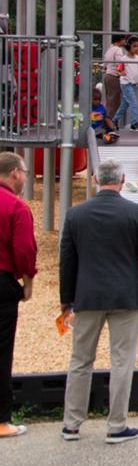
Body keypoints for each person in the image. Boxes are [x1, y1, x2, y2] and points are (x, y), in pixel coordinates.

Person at [59, 159, 138, 444]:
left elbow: (67, 260)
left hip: (87, 295)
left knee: (80, 360)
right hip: (125, 295)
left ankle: (71, 423)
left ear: (95, 179)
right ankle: (116, 425)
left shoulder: (75, 214)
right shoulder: (136, 213)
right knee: (122, 360)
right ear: (121, 181)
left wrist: (65, 299)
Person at [0, 152, 35, 439]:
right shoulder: (16, 207)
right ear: (14, 173)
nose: (25, 177)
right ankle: (1, 419)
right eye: (24, 172)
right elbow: (24, 250)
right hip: (2, 282)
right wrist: (28, 281)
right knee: (2, 351)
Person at [113, 36, 138, 132]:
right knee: (133, 103)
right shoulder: (124, 58)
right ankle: (134, 124)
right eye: (134, 46)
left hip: (133, 84)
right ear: (128, 47)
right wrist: (121, 73)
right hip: (126, 83)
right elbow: (118, 70)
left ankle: (114, 120)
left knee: (125, 104)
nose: (137, 48)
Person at [101, 32, 128, 123]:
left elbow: (105, 65)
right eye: (124, 39)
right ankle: (108, 123)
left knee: (109, 101)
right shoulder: (118, 50)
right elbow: (119, 65)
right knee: (114, 102)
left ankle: (105, 120)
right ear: (120, 39)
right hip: (114, 77)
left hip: (107, 76)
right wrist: (125, 74)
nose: (125, 41)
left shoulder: (110, 49)